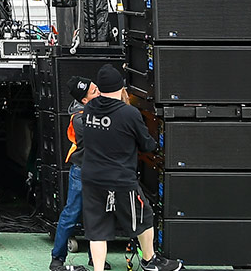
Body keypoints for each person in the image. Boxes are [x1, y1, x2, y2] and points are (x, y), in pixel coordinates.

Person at [75, 64, 182, 271]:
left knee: (97, 229)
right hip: (120, 179)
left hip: (92, 178)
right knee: (144, 216)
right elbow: (148, 145)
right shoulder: (129, 113)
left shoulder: (88, 110)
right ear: (121, 87)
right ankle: (149, 260)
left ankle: (98, 269)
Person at [50, 76, 97, 271]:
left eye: (97, 87)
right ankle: (57, 258)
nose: (100, 92)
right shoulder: (79, 118)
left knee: (97, 215)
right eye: (94, 91)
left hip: (98, 170)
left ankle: (96, 258)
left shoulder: (96, 110)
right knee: (72, 213)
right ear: (84, 100)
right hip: (82, 170)